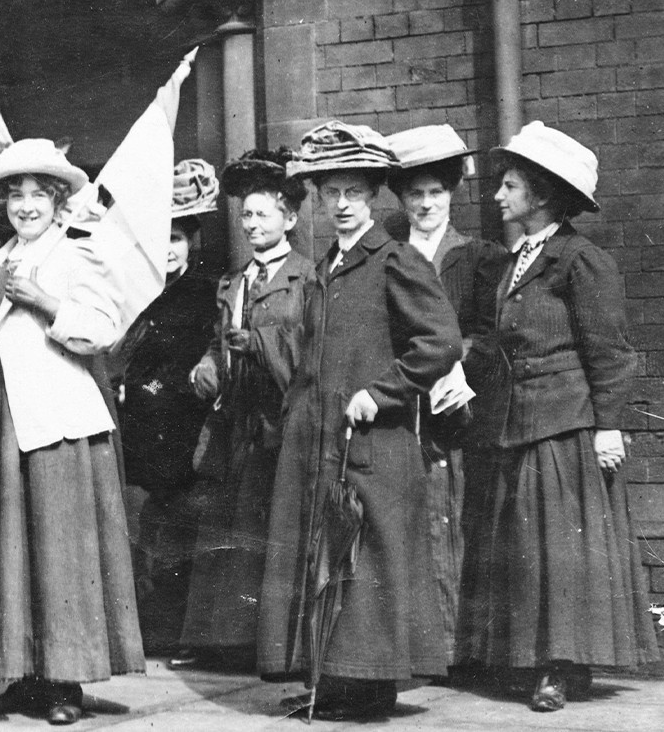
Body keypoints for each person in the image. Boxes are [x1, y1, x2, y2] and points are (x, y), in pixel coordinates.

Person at [255, 121, 461, 720]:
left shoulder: (393, 259)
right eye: (330, 193)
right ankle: (335, 681)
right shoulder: (327, 267)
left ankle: (369, 690)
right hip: (320, 444)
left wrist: (384, 391)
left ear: (373, 195)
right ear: (316, 198)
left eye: (353, 192)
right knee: (330, 560)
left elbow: (440, 341)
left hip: (376, 443)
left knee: (370, 567)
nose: (341, 205)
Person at [457, 121, 660, 711]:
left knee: (559, 552)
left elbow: (611, 351)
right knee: (524, 547)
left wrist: (609, 425)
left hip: (563, 427)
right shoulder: (514, 262)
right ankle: (534, 660)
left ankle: (561, 668)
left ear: (541, 196)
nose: (498, 196)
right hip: (513, 425)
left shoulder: (580, 260)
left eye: (510, 186)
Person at [0, 139, 144, 725]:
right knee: (12, 547)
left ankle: (64, 683)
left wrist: (45, 301)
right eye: (15, 195)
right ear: (1, 205)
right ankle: (24, 674)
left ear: (58, 201)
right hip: (1, 416)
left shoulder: (78, 254)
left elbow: (102, 331)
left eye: (39, 194)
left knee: (59, 549)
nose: (26, 206)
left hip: (59, 418)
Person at [172, 148, 315, 670]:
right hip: (236, 427)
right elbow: (220, 343)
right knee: (231, 532)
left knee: (275, 531)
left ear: (290, 219)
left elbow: (307, 350)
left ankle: (278, 648)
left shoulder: (308, 280)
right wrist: (206, 367)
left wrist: (258, 342)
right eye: (247, 215)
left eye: (264, 215)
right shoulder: (232, 283)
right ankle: (227, 643)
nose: (253, 225)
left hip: (279, 427)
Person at [382, 125, 510, 661]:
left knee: (456, 518)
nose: (426, 203)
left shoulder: (478, 256)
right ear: (402, 198)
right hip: (402, 404)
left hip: (458, 409)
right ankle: (418, 648)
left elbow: (490, 328)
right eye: (416, 193)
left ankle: (459, 649)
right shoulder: (387, 257)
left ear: (451, 195)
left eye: (436, 192)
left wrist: (459, 364)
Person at [108, 159, 218, 655]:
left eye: (175, 239)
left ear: (190, 242)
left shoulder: (202, 294)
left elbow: (197, 362)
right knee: (138, 525)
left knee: (178, 525)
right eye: (158, 239)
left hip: (180, 428)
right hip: (136, 430)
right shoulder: (132, 294)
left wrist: (153, 388)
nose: (167, 250)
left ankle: (177, 631)